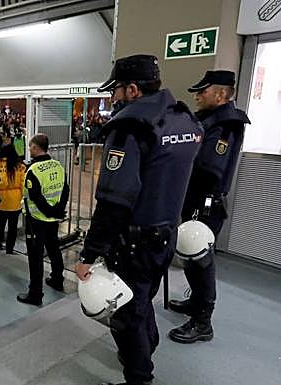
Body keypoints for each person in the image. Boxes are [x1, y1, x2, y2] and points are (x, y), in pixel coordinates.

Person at [74, 54, 202, 385]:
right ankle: (147, 348)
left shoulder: (131, 128)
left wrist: (89, 254)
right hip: (165, 234)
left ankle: (139, 375)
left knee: (126, 313)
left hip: (135, 242)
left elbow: (115, 200)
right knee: (144, 299)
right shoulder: (185, 121)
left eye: (116, 90)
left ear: (132, 90)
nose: (112, 98)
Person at [168, 70, 250, 344]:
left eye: (203, 91)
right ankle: (196, 304)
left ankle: (203, 322)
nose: (197, 95)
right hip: (194, 201)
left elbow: (209, 168)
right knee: (191, 258)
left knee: (201, 261)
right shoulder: (210, 119)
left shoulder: (226, 123)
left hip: (205, 204)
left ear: (221, 93)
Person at [16, 134, 69, 306]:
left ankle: (35, 293)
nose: (29, 150)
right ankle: (57, 279)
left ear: (36, 148)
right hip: (53, 219)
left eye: (30, 147)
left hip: (36, 221)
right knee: (54, 248)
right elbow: (65, 190)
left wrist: (48, 213)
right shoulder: (58, 166)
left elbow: (36, 198)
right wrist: (57, 211)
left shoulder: (33, 171)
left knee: (36, 257)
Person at [0, 144, 26, 254]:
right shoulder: (20, 166)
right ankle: (9, 248)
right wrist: (23, 198)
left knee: (0, 224)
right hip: (15, 201)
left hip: (0, 200)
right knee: (13, 227)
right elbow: (23, 184)